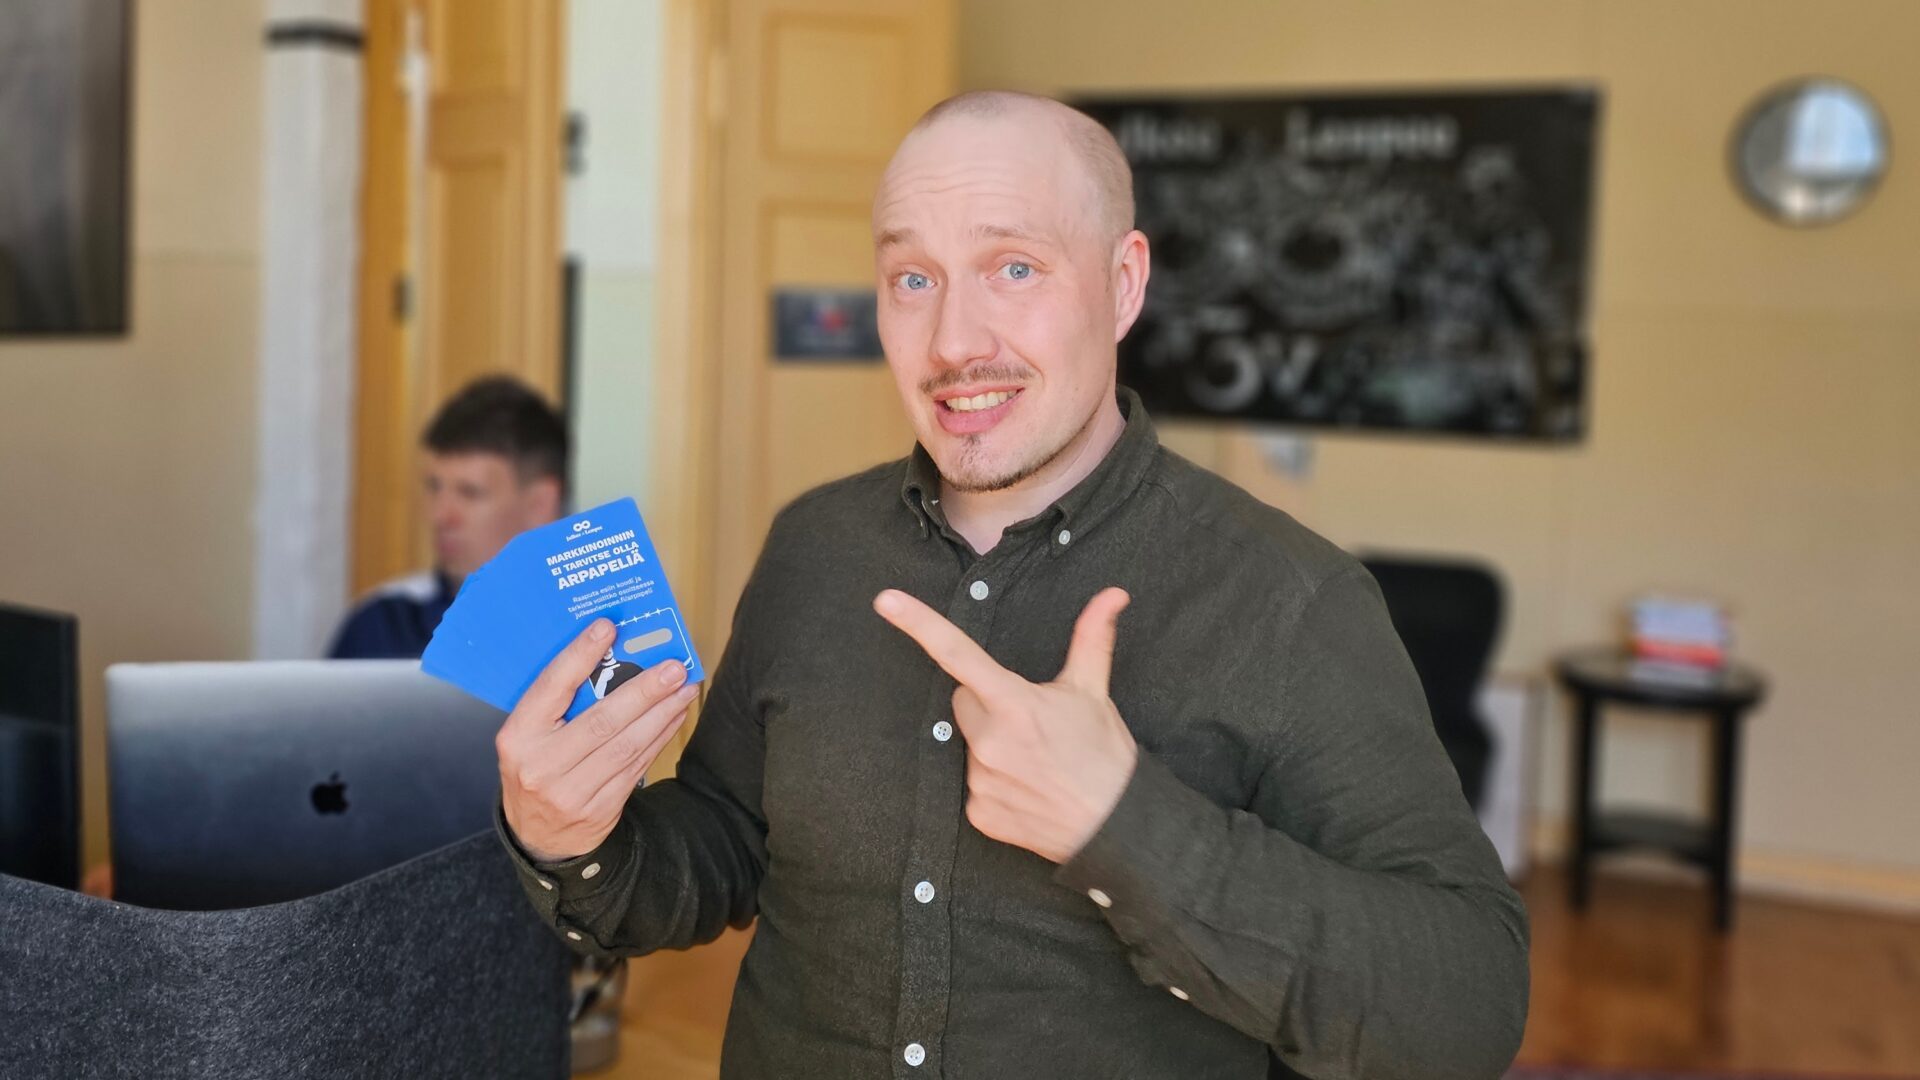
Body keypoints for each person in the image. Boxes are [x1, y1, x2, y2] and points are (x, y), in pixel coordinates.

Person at [492, 91, 1528, 1079]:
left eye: (1015, 268)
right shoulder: (813, 546)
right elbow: (725, 845)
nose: (953, 343)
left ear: (1124, 285)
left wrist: (1122, 823)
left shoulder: (1290, 600)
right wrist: (572, 839)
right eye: (913, 280)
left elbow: (1465, 1008)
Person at [328, 376, 567, 659]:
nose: (440, 516)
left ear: (540, 504)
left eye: (470, 493)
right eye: (434, 487)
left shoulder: (596, 627)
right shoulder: (381, 625)